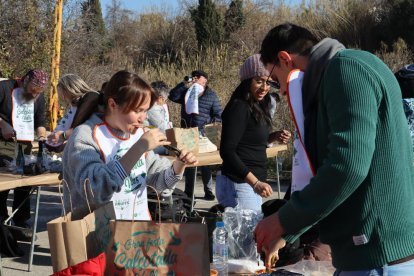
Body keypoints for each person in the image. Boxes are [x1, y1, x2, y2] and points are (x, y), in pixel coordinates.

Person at [254, 23, 414, 274]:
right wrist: (290, 231)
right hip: (362, 258)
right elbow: (326, 173)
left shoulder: (346, 68)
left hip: (376, 258)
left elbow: (347, 166)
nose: (282, 91)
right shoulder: (333, 78)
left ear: (285, 59)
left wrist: (282, 221)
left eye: (276, 80)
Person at [62, 70, 198, 220]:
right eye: (137, 110)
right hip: (97, 235)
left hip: (136, 232)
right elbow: (95, 191)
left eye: (146, 111)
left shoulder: (137, 133)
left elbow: (157, 184)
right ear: (113, 104)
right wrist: (139, 148)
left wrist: (179, 166)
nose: (143, 118)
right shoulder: (85, 136)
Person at [217, 54, 291, 212]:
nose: (264, 87)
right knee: (245, 236)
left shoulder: (258, 106)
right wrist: (254, 183)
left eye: (268, 82)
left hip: (250, 184)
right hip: (240, 184)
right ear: (247, 82)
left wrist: (274, 136)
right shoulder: (239, 106)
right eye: (259, 81)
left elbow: (249, 141)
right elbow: (227, 151)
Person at [0, 69, 48, 241]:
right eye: (32, 90)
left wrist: (42, 136)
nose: (34, 94)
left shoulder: (38, 97)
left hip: (26, 144)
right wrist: (3, 124)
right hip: (3, 142)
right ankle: (2, 223)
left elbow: (40, 121)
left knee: (25, 184)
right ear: (25, 80)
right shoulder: (4, 88)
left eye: (38, 92)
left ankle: (20, 223)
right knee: (4, 184)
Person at [169, 70, 222, 200]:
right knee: (189, 162)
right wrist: (184, 84)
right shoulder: (187, 93)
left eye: (199, 78)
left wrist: (208, 128)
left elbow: (218, 115)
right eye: (195, 78)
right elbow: (172, 96)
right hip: (187, 133)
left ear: (205, 81)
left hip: (203, 134)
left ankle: (208, 191)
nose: (196, 80)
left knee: (205, 165)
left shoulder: (211, 95)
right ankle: (189, 192)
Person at [46, 74, 101, 151]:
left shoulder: (91, 97)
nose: (64, 99)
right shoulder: (77, 103)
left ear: (70, 89)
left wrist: (63, 136)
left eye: (64, 95)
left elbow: (79, 126)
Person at [144, 81, 172, 155]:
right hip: (153, 148)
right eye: (165, 100)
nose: (165, 102)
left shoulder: (148, 105)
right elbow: (163, 128)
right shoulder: (153, 108)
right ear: (160, 98)